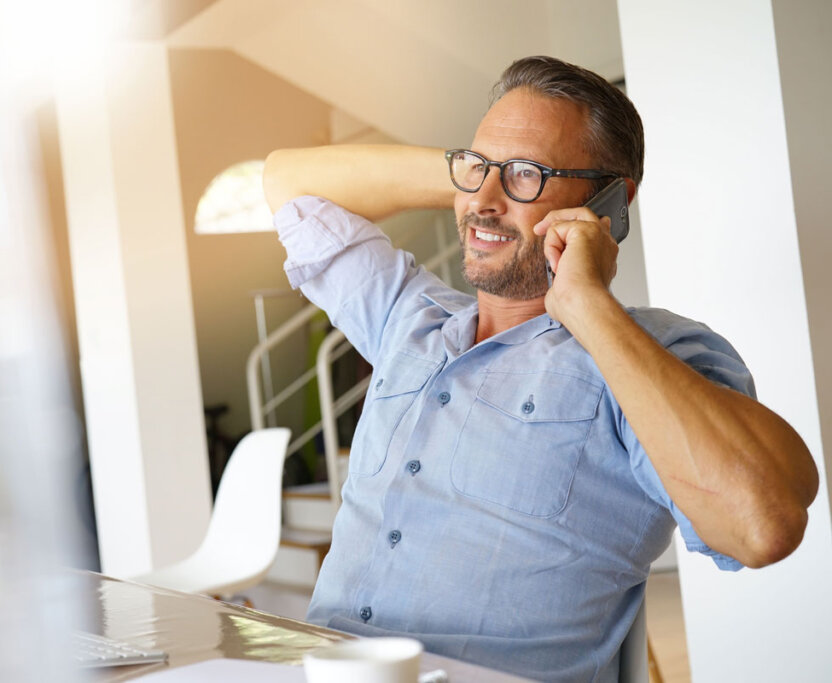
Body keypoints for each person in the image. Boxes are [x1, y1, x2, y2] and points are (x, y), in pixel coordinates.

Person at [262, 56, 818, 681]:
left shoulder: (659, 352)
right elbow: (289, 184)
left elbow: (761, 524)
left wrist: (585, 305)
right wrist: (485, 176)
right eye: (476, 168)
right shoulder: (408, 319)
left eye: (529, 174)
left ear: (609, 199)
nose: (484, 203)